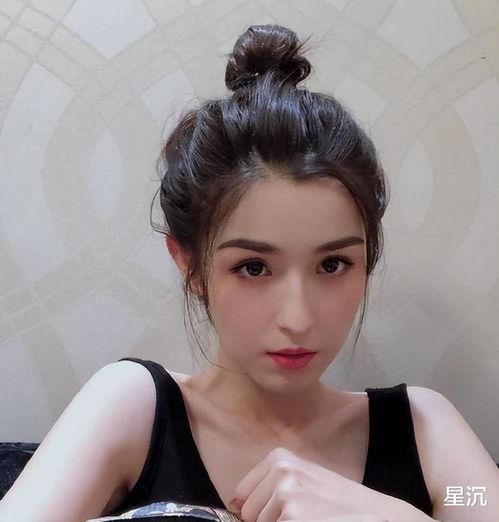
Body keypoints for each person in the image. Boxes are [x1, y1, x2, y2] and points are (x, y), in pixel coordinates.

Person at [1, 24, 498, 522]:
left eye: (333, 264)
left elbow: (473, 502)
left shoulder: (424, 427)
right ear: (190, 265)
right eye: (253, 267)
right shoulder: (134, 408)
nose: (298, 318)